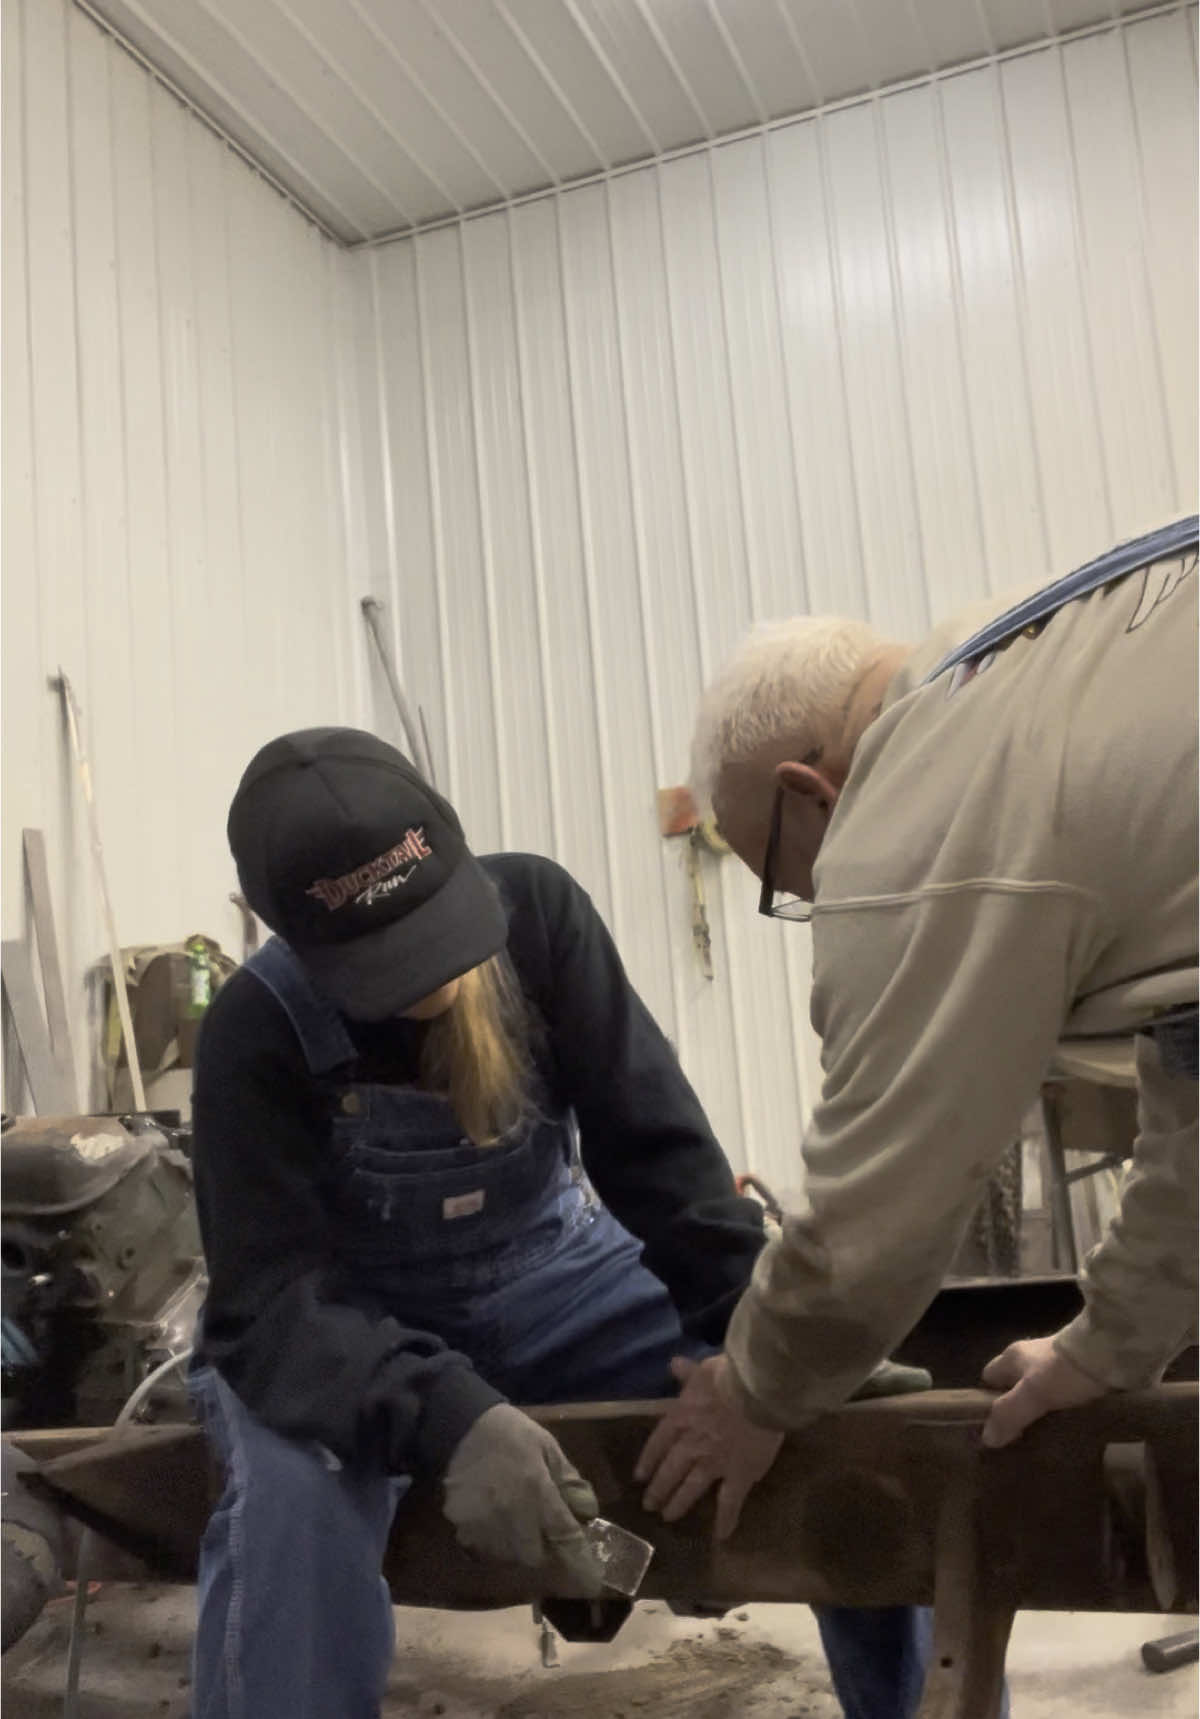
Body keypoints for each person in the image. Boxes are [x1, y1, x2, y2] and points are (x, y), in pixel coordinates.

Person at [189, 726, 929, 1719]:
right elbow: (272, 1305)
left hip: (559, 1285)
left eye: (430, 930)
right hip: (346, 1333)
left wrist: (774, 1335)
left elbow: (661, 1160)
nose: (422, 977)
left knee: (832, 1420)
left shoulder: (537, 914)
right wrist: (445, 1413)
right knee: (295, 1497)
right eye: (380, 960)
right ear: (288, 932)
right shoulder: (255, 1031)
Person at [636, 520, 1198, 1559]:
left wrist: (755, 1392)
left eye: (794, 886)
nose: (822, 901)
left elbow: (874, 1219)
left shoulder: (917, 812)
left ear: (813, 798)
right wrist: (1110, 1347)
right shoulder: (1042, 655)